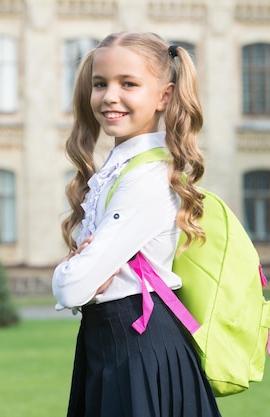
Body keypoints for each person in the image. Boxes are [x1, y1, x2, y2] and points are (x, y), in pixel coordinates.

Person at [53, 31, 221, 417]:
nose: (110, 96)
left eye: (128, 84)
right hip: (111, 344)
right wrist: (83, 267)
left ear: (164, 95)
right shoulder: (118, 169)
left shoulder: (145, 178)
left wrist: (70, 270)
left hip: (139, 351)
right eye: (101, 84)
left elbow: (73, 287)